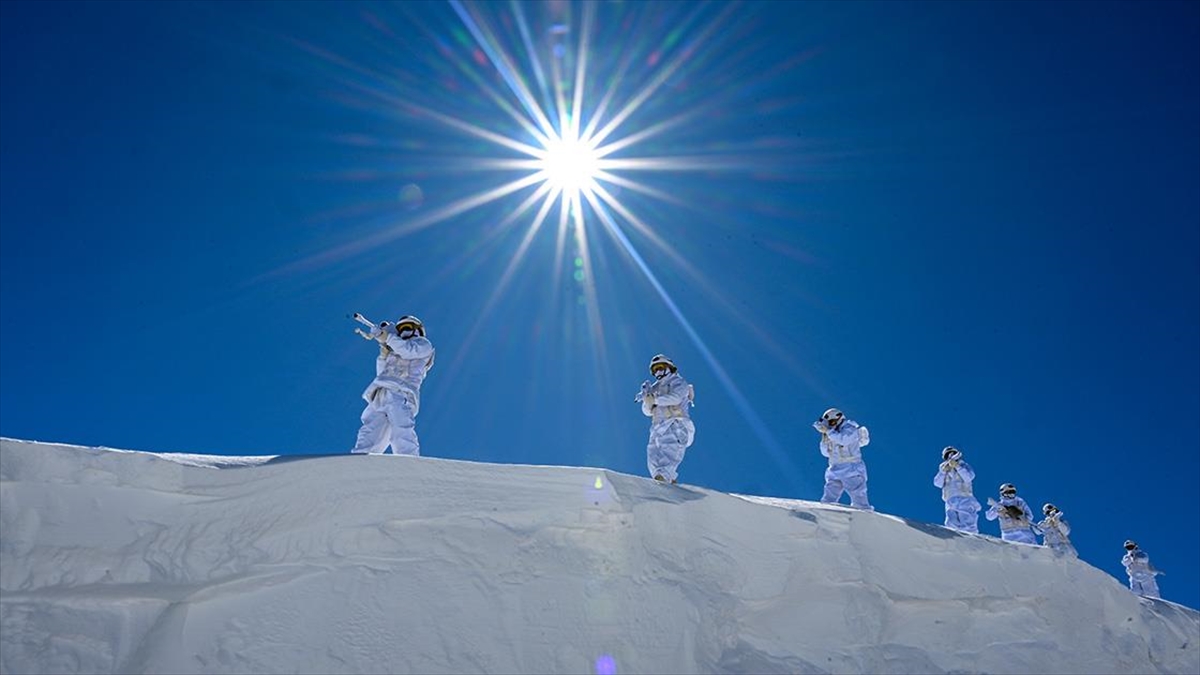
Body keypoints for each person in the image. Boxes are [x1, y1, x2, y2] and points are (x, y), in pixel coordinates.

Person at [350, 315, 435, 456]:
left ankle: (408, 462)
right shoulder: (395, 348)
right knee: (370, 429)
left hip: (402, 393)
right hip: (381, 393)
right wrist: (383, 355)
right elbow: (382, 374)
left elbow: (408, 351)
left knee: (401, 429)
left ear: (417, 330)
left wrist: (388, 338)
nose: (404, 332)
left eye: (407, 328)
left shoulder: (423, 345)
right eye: (401, 329)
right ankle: (361, 459)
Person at [637, 354, 695, 484]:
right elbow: (647, 411)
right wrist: (647, 401)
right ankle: (665, 480)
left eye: (661, 367)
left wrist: (655, 399)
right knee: (652, 455)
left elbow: (676, 398)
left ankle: (664, 479)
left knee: (670, 451)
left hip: (676, 423)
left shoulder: (678, 382)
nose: (658, 372)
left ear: (669, 368)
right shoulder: (655, 387)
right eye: (655, 369)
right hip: (658, 426)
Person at [812, 407, 873, 510]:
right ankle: (826, 509)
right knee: (830, 491)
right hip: (835, 468)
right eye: (829, 423)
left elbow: (844, 440)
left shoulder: (850, 428)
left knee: (857, 492)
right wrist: (824, 437)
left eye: (832, 422)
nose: (831, 425)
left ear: (839, 419)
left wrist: (829, 432)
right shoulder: (831, 433)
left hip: (851, 467)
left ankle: (863, 511)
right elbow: (825, 453)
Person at [933, 446, 980, 533]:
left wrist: (958, 467)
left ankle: (971, 542)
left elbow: (969, 477)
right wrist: (943, 472)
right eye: (948, 455)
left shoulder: (964, 465)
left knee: (968, 522)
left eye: (953, 453)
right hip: (950, 499)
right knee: (951, 524)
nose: (950, 456)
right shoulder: (944, 468)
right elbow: (937, 483)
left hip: (964, 497)